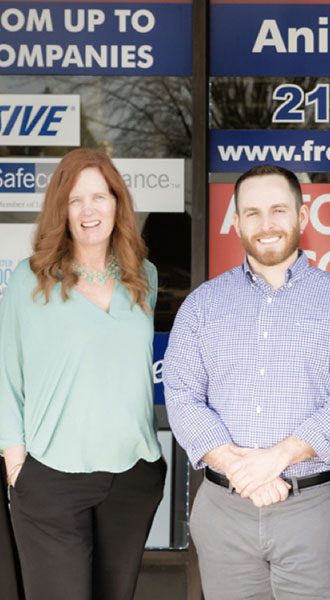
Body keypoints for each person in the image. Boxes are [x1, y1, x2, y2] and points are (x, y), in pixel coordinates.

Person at [163, 164, 330, 600]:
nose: (266, 225)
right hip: (225, 512)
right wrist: (239, 468)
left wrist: (276, 458)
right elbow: (182, 394)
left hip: (312, 510)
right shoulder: (202, 305)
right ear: (237, 221)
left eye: (278, 210)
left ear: (301, 217)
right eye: (252, 213)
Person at [0, 148, 166, 600]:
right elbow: (5, 374)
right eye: (75, 200)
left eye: (100, 196)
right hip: (52, 475)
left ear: (118, 203)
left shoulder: (143, 277)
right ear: (62, 210)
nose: (89, 210)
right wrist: (16, 462)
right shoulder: (30, 280)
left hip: (131, 475)